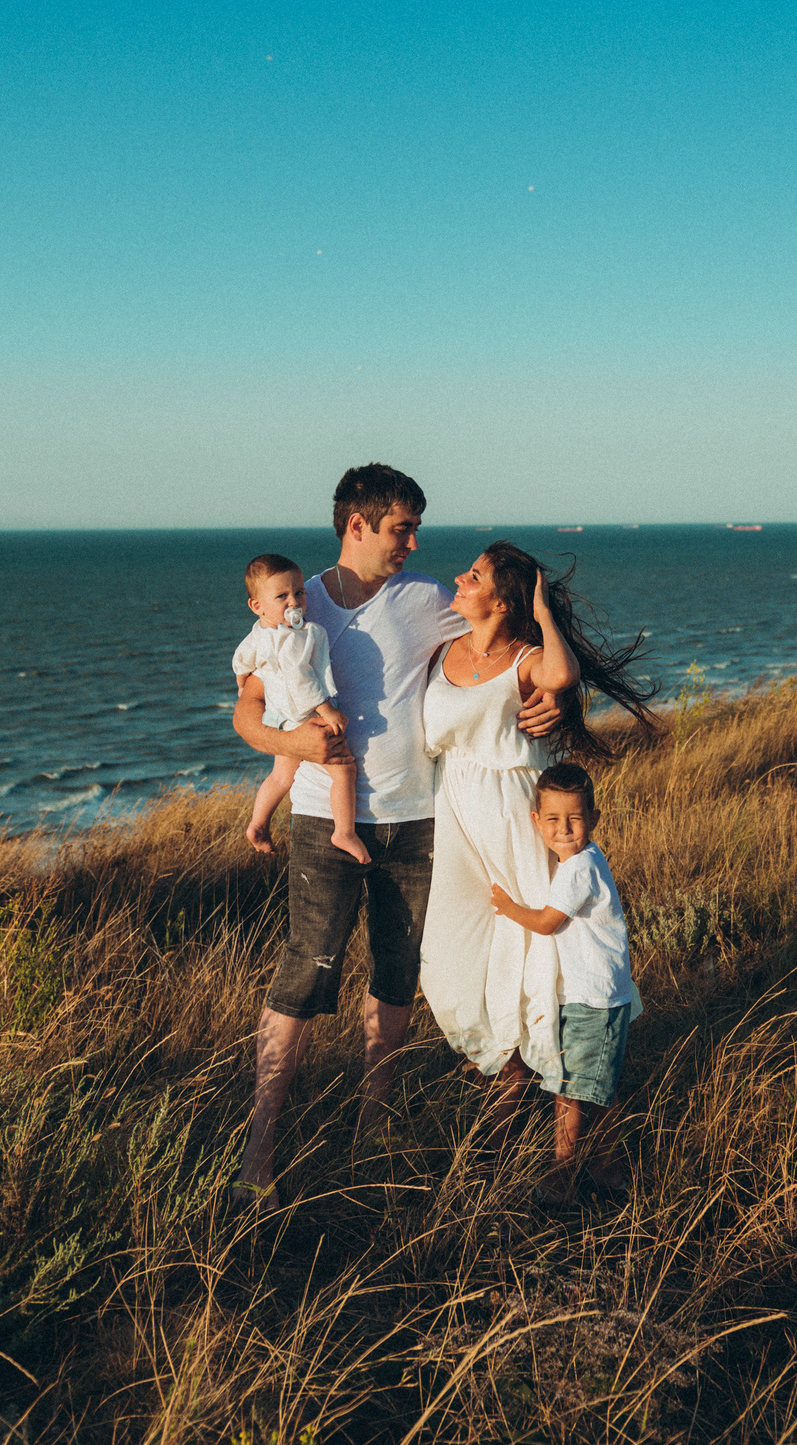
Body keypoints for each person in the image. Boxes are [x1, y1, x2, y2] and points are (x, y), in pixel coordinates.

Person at [228, 465, 560, 1208]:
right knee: (304, 974)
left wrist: (557, 703)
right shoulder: (295, 599)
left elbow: (511, 647)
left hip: (419, 820)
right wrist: (293, 743)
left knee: (396, 974)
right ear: (358, 525)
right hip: (323, 818)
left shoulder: (431, 599)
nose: (413, 542)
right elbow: (247, 712)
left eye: (415, 528)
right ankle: (259, 1151)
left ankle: (372, 1130)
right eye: (401, 529)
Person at [416, 541, 653, 1147]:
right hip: (456, 817)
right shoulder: (442, 648)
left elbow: (562, 675)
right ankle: (500, 1060)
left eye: (474, 576)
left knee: (529, 947)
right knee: (449, 950)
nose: (459, 579)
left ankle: (539, 1076)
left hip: (514, 816)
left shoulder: (527, 658)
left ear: (503, 601)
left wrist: (543, 611)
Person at [488, 760, 638, 1208]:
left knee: (569, 1090)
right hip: (596, 996)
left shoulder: (578, 869)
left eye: (575, 818)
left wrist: (508, 907)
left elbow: (548, 923)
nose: (564, 829)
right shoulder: (581, 861)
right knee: (596, 1088)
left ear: (594, 818)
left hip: (594, 1000)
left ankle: (561, 1177)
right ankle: (608, 1170)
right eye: (553, 819)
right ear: (537, 821)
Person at [233, 553, 366, 866]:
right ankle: (344, 832)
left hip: (281, 719)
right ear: (257, 605)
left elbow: (241, 658)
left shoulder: (258, 634)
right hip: (308, 717)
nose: (294, 601)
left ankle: (258, 824)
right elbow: (300, 678)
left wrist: (241, 683)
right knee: (344, 770)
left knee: (281, 777)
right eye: (282, 596)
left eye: (299, 592)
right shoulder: (294, 638)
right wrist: (327, 709)